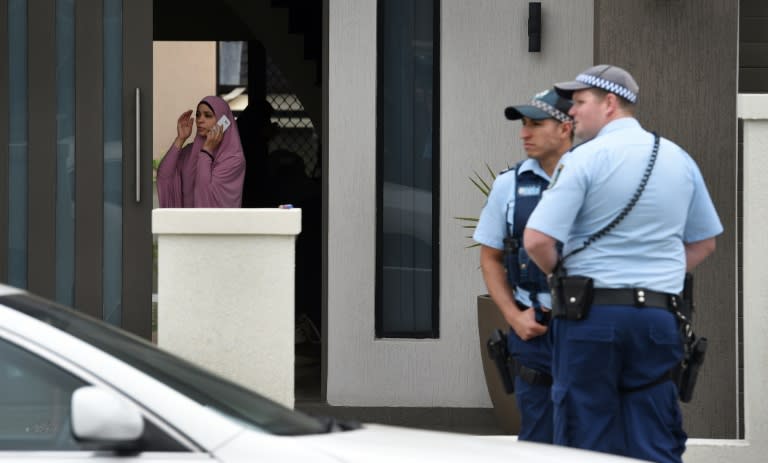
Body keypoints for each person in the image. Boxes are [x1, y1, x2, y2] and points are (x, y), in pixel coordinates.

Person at [523, 64, 723, 462]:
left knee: (585, 438)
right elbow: (704, 243)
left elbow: (537, 240)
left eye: (579, 103)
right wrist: (659, 273)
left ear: (609, 103)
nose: (572, 113)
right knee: (653, 433)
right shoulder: (678, 158)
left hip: (590, 320)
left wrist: (560, 277)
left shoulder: (584, 159)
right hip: (657, 319)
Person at [473, 89, 574, 443]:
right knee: (537, 439)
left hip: (590, 327)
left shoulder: (598, 178)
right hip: (535, 329)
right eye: (523, 125)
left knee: (590, 436)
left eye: (535, 124)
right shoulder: (509, 185)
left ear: (565, 128)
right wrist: (513, 317)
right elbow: (490, 257)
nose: (524, 134)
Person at [157, 95, 245, 207]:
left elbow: (205, 195)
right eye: (198, 115)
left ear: (223, 121)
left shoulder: (234, 159)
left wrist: (207, 151)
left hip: (214, 223)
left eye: (208, 115)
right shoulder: (190, 151)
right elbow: (164, 177)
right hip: (186, 222)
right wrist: (180, 139)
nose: (200, 120)